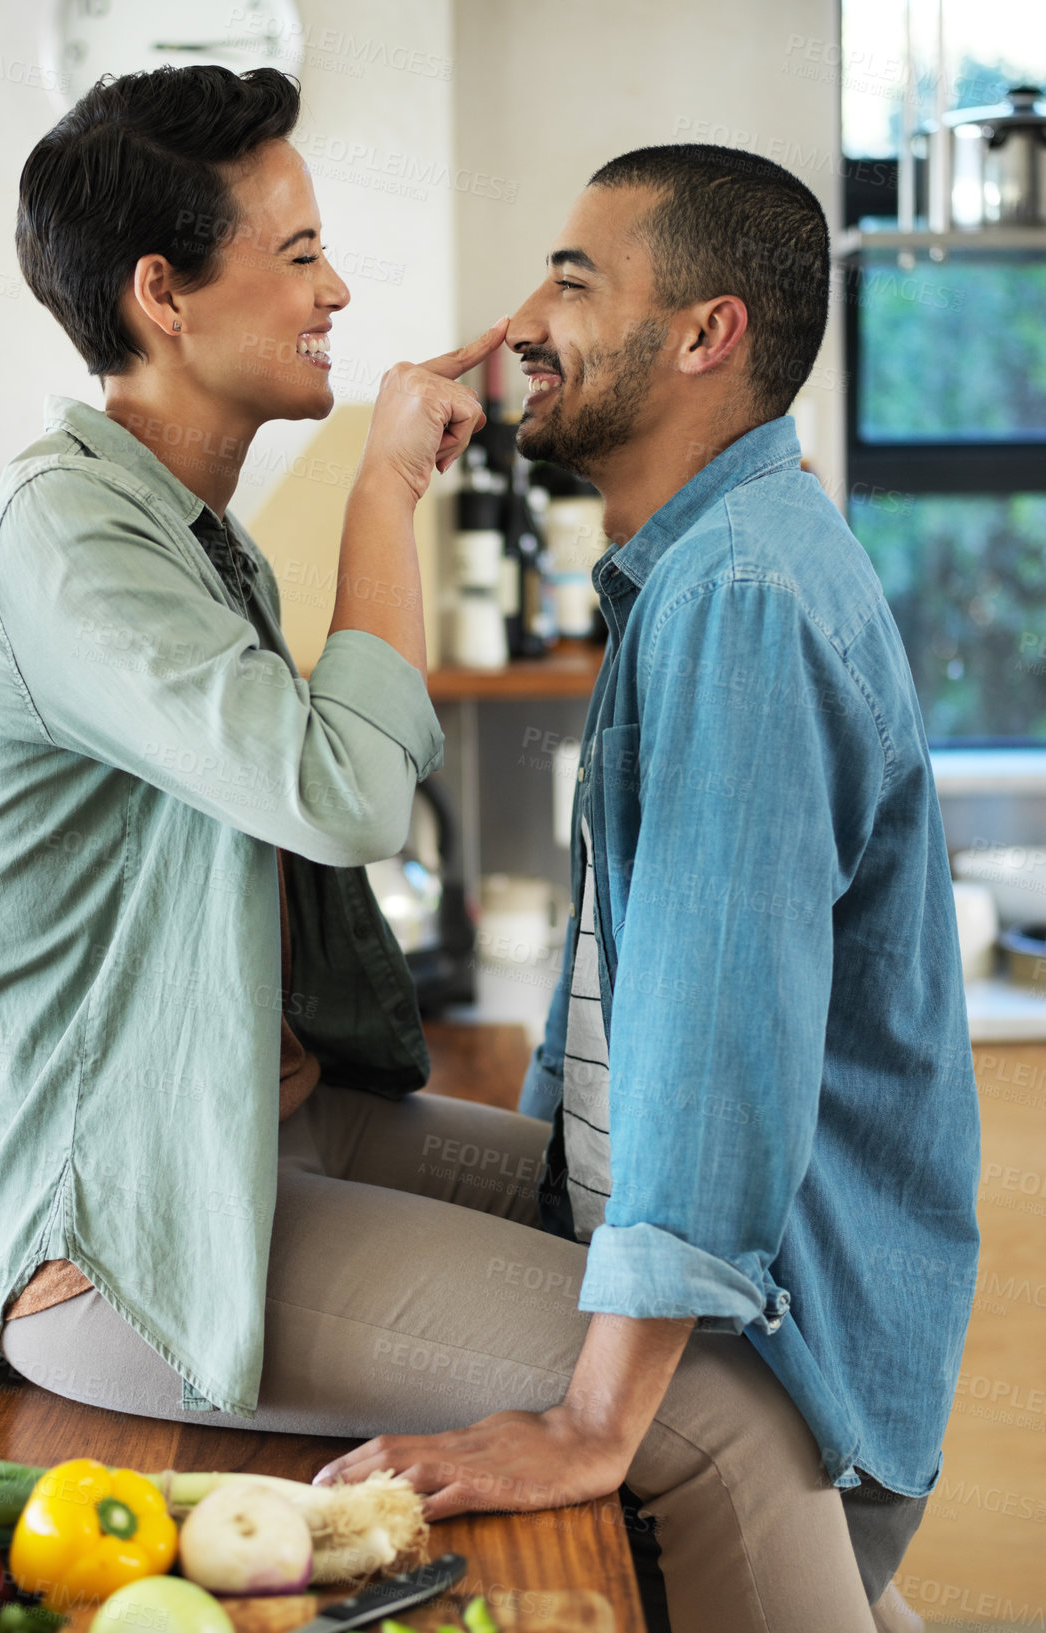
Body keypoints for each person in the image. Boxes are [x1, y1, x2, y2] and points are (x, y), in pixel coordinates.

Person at [313, 146, 980, 1633]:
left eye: (572, 280)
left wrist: (591, 1423)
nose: (522, 322)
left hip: (797, 1362)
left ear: (705, 335)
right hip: (777, 1295)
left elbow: (716, 1043)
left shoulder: (738, 599)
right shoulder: (703, 568)